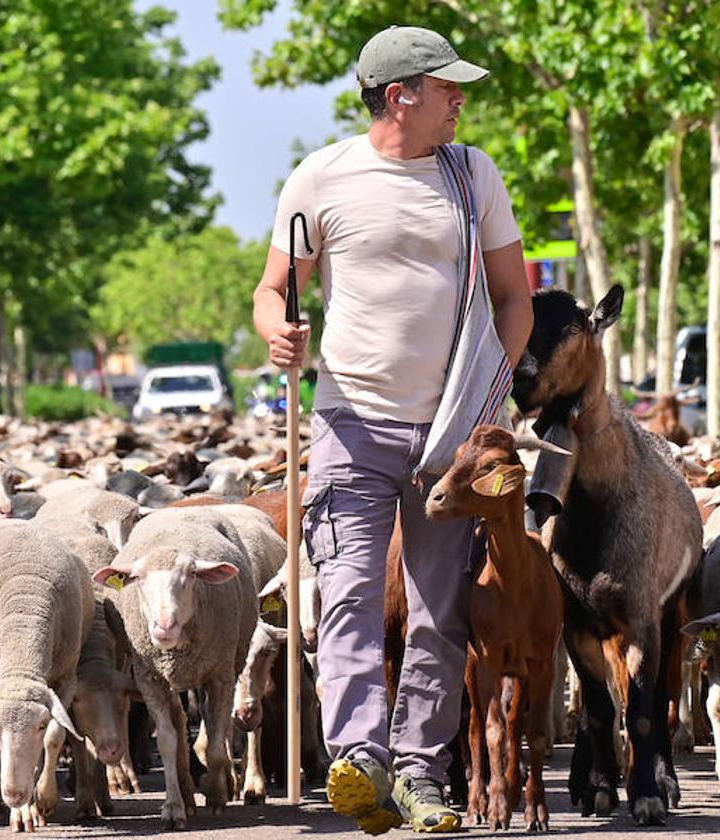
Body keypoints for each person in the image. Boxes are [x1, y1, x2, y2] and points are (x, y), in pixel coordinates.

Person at [251, 25, 533, 835]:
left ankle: (421, 773)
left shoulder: (472, 173)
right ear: (400, 94)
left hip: (453, 433)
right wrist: (278, 333)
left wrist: (493, 387)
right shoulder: (320, 178)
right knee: (344, 594)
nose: (461, 101)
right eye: (448, 88)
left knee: (440, 608)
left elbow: (514, 296)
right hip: (349, 420)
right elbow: (275, 291)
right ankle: (361, 760)